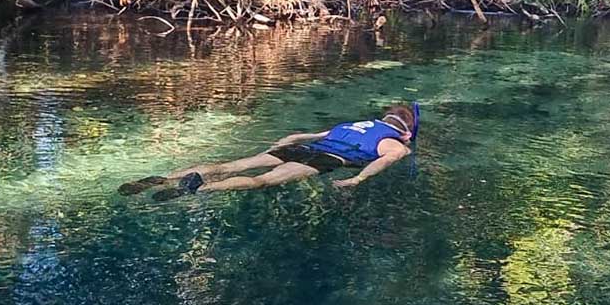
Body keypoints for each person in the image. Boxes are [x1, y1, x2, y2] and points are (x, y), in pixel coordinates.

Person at [120, 103, 419, 201]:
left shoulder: (355, 124)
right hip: (326, 159)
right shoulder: (395, 141)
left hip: (303, 146)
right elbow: (389, 157)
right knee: (260, 181)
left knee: (232, 164)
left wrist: (287, 140)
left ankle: (162, 179)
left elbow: (310, 134)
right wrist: (357, 181)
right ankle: (199, 188)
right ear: (405, 131)